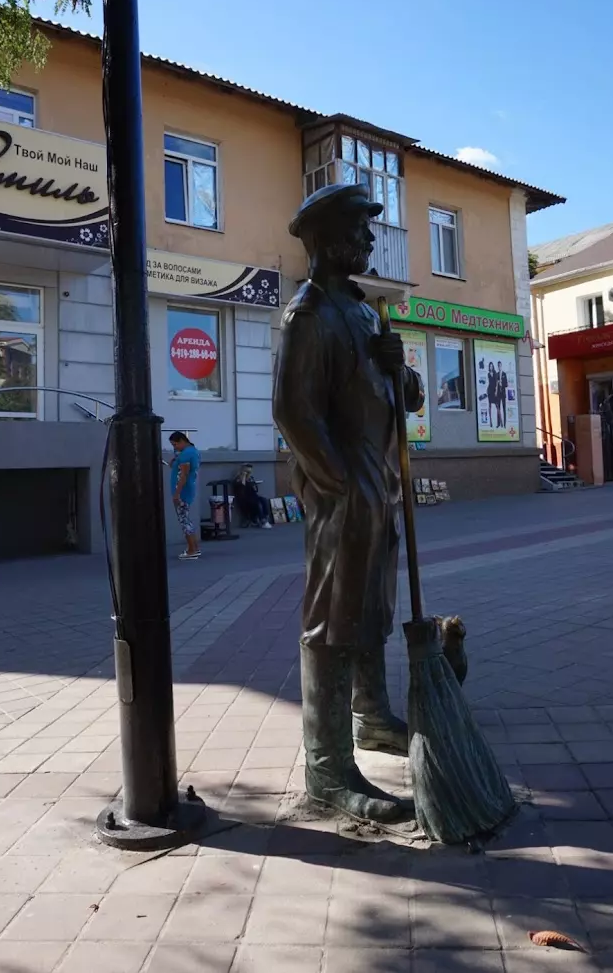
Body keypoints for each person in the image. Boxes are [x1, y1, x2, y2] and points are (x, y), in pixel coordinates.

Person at [273, 182, 424, 823]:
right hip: (345, 491)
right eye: (361, 229)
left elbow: (409, 397)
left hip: (379, 485)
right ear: (331, 239)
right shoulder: (309, 314)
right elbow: (291, 410)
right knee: (331, 620)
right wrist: (336, 484)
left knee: (370, 607)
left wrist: (402, 369)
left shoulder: (365, 314)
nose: (368, 239)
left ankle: (371, 716)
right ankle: (328, 767)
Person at [169, 431, 201, 560]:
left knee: (184, 520)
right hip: (187, 489)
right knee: (186, 519)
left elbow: (183, 476)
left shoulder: (186, 455)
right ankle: (194, 548)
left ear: (182, 441)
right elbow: (174, 466)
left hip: (183, 491)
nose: (174, 447)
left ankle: (192, 550)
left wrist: (176, 494)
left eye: (175, 444)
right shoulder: (192, 451)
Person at [233, 464, 272, 529]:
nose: (249, 474)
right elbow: (242, 487)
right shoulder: (238, 479)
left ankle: (265, 518)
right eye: (247, 472)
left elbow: (255, 489)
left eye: (250, 472)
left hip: (253, 496)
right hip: (245, 498)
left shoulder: (250, 478)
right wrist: (243, 476)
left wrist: (251, 481)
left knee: (264, 500)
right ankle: (262, 521)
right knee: (257, 504)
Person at [497, 360, 509, 428]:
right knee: (498, 409)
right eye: (498, 366)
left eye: (500, 365)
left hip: (503, 394)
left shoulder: (504, 374)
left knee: (504, 409)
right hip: (498, 394)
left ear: (501, 366)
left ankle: (504, 424)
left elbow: (506, 384)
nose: (499, 367)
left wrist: (502, 384)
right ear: (497, 366)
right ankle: (499, 424)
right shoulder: (497, 374)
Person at [487, 361, 498, 428]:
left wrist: (496, 391)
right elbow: (489, 382)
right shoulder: (488, 374)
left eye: (492, 366)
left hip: (494, 390)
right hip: (489, 390)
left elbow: (496, 382)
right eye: (490, 366)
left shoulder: (495, 373)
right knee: (490, 406)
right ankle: (490, 422)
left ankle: (501, 423)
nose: (491, 367)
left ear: (493, 366)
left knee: (497, 406)